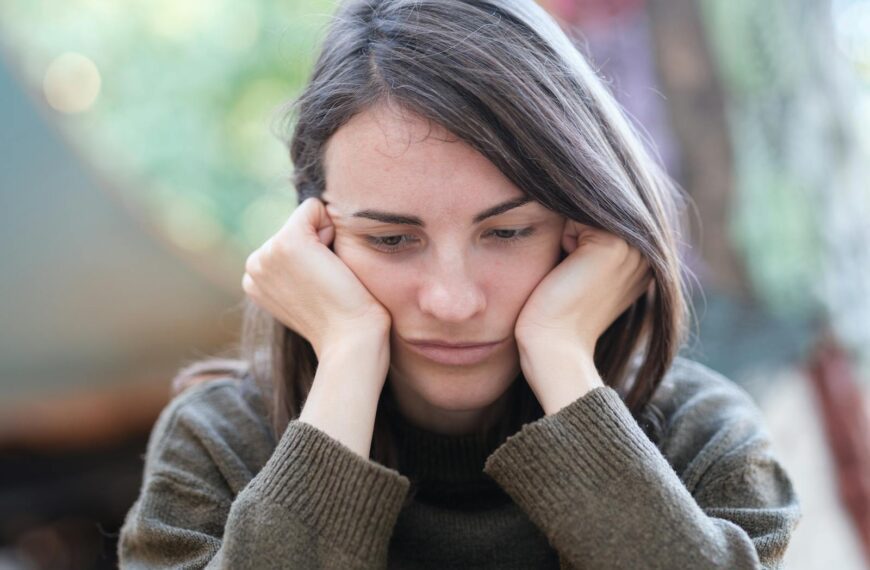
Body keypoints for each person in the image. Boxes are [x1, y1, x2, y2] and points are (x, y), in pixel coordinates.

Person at [117, 0, 801, 567]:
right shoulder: (219, 445)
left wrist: (560, 353)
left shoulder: (700, 440)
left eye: (507, 233)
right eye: (390, 239)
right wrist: (350, 354)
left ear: (585, 227)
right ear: (314, 237)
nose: (453, 300)